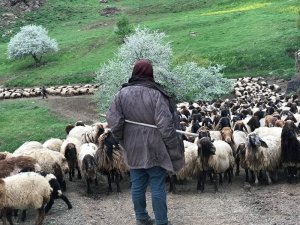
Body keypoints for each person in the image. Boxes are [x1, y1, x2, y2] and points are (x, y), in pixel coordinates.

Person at [106, 59, 184, 225]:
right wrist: (172, 146)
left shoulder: (121, 94)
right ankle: (161, 221)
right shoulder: (156, 93)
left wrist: (123, 138)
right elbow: (165, 125)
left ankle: (141, 218)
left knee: (137, 183)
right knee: (157, 183)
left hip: (132, 146)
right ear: (151, 73)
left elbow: (114, 122)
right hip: (155, 145)